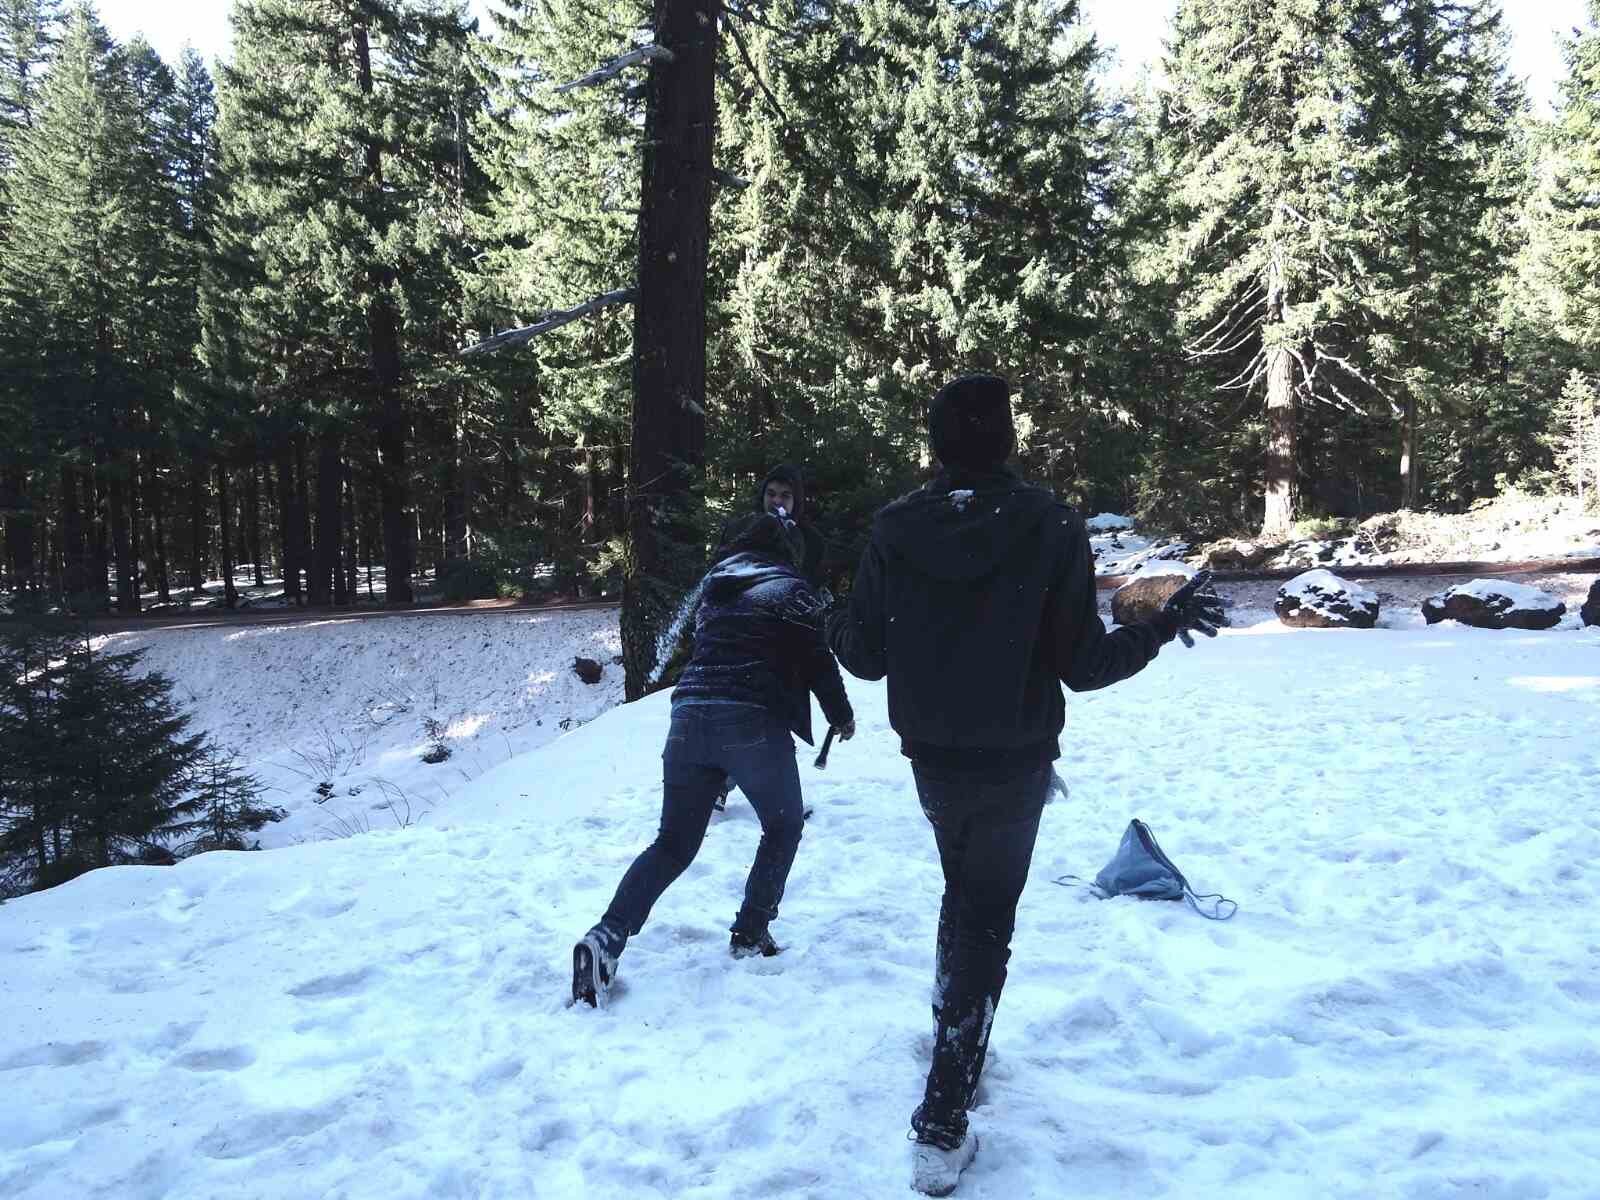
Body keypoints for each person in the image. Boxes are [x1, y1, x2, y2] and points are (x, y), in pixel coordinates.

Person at [826, 373, 1222, 1196]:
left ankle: (955, 1038)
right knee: (986, 916)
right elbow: (1083, 665)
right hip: (1012, 756)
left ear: (936, 444)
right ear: (1006, 442)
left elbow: (862, 654)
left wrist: (829, 610)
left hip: (933, 755)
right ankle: (942, 1118)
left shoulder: (896, 528)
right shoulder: (1047, 523)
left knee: (964, 895)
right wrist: (1159, 627)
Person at [572, 510, 856, 1008]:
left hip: (687, 717)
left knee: (673, 844)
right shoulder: (790, 587)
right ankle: (751, 931)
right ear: (785, 552)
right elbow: (816, 659)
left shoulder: (715, 587)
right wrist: (841, 715)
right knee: (784, 824)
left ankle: (607, 937)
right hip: (749, 719)